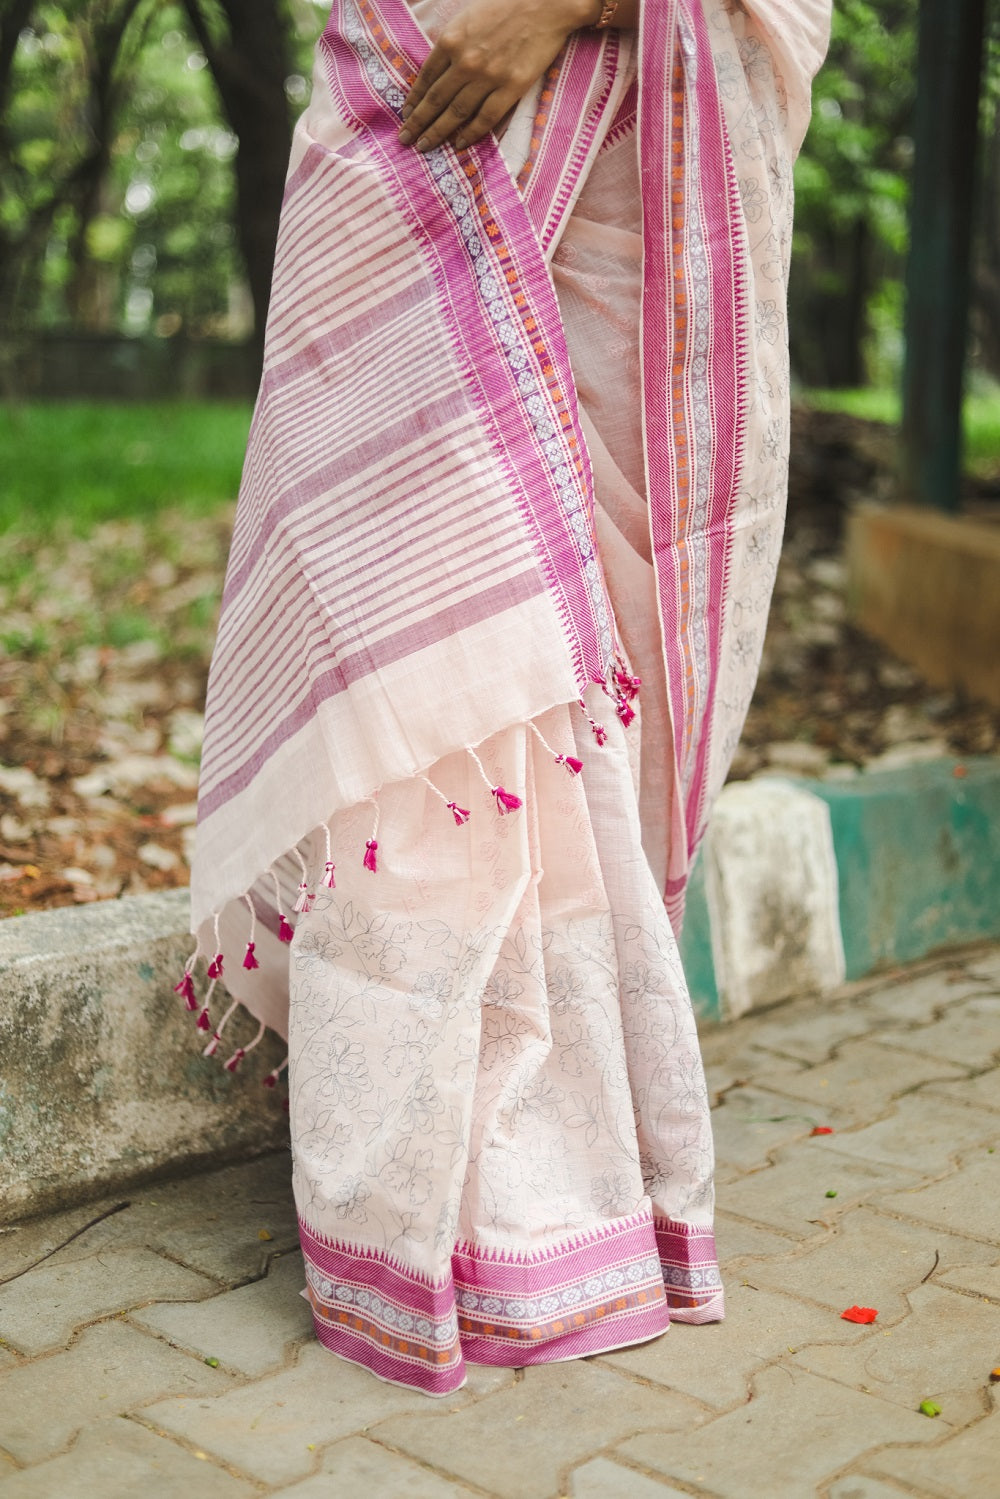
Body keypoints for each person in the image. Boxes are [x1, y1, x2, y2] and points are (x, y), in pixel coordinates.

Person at [185, 0, 831, 1395]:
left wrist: (561, 11)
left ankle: (551, 1182)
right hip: (412, 84)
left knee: (558, 645)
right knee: (416, 616)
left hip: (617, 122)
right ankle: (414, 1176)